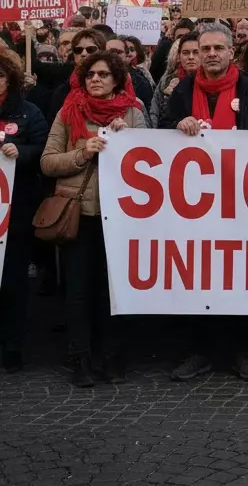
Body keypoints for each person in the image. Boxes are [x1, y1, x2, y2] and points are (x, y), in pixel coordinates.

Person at [162, 25, 248, 383]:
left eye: (217, 48)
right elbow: (159, 135)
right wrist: (174, 126)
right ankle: (200, 351)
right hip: (196, 204)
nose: (211, 53)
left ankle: (243, 351)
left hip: (241, 203)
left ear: (231, 53)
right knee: (198, 278)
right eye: (205, 48)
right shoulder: (182, 90)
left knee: (241, 278)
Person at [41, 50, 147, 386]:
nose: (96, 79)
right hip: (81, 214)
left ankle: (111, 356)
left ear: (117, 78)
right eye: (90, 75)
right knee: (79, 291)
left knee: (112, 291)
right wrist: (82, 153)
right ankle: (81, 357)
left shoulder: (133, 112)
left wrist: (127, 139)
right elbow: (48, 162)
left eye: (103, 74)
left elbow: (149, 160)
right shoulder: (68, 111)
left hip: (120, 218)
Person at [0, 52, 48, 371]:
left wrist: (24, 152)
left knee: (13, 281)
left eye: (0, 76)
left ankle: (12, 346)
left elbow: (45, 150)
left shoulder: (28, 112)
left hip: (14, 214)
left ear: (11, 78)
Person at [151, 33, 201, 128]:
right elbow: (157, 115)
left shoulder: (212, 81)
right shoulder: (166, 81)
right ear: (179, 56)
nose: (191, 57)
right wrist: (177, 125)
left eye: (196, 52)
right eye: (185, 53)